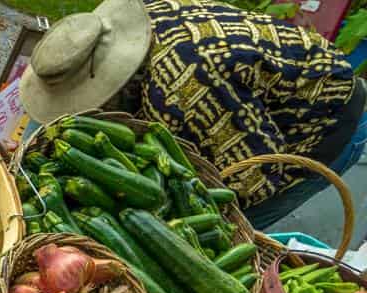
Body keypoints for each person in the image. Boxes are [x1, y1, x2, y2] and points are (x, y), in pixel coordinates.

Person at [19, 0, 366, 229]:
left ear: (117, 86)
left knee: (231, 227)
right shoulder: (134, 29)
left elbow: (253, 180)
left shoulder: (185, 89)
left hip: (324, 122)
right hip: (252, 87)